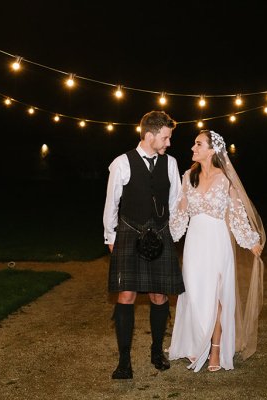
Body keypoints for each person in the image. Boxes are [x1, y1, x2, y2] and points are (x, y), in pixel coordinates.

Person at [168, 129, 265, 372]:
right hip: (194, 242)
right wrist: (167, 235)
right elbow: (180, 211)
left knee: (217, 296)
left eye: (198, 144)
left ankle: (215, 349)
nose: (193, 148)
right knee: (193, 292)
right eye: (194, 144)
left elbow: (236, 214)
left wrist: (250, 240)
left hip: (217, 241)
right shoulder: (188, 176)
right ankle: (195, 342)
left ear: (212, 150)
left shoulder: (225, 180)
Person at [103, 110, 185, 380]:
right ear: (149, 136)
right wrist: (111, 237)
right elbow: (111, 204)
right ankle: (124, 362)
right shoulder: (121, 163)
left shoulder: (170, 163)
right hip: (129, 233)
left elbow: (174, 202)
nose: (168, 143)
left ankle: (156, 351)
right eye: (165, 137)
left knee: (159, 296)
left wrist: (172, 233)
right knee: (125, 296)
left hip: (160, 234)